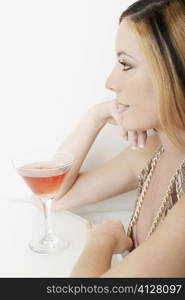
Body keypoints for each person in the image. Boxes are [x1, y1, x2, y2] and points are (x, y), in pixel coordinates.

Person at [34, 0, 185, 277]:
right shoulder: (152, 151)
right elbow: (51, 197)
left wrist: (101, 241)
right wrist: (96, 117)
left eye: (125, 64)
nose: (110, 82)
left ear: (173, 75)